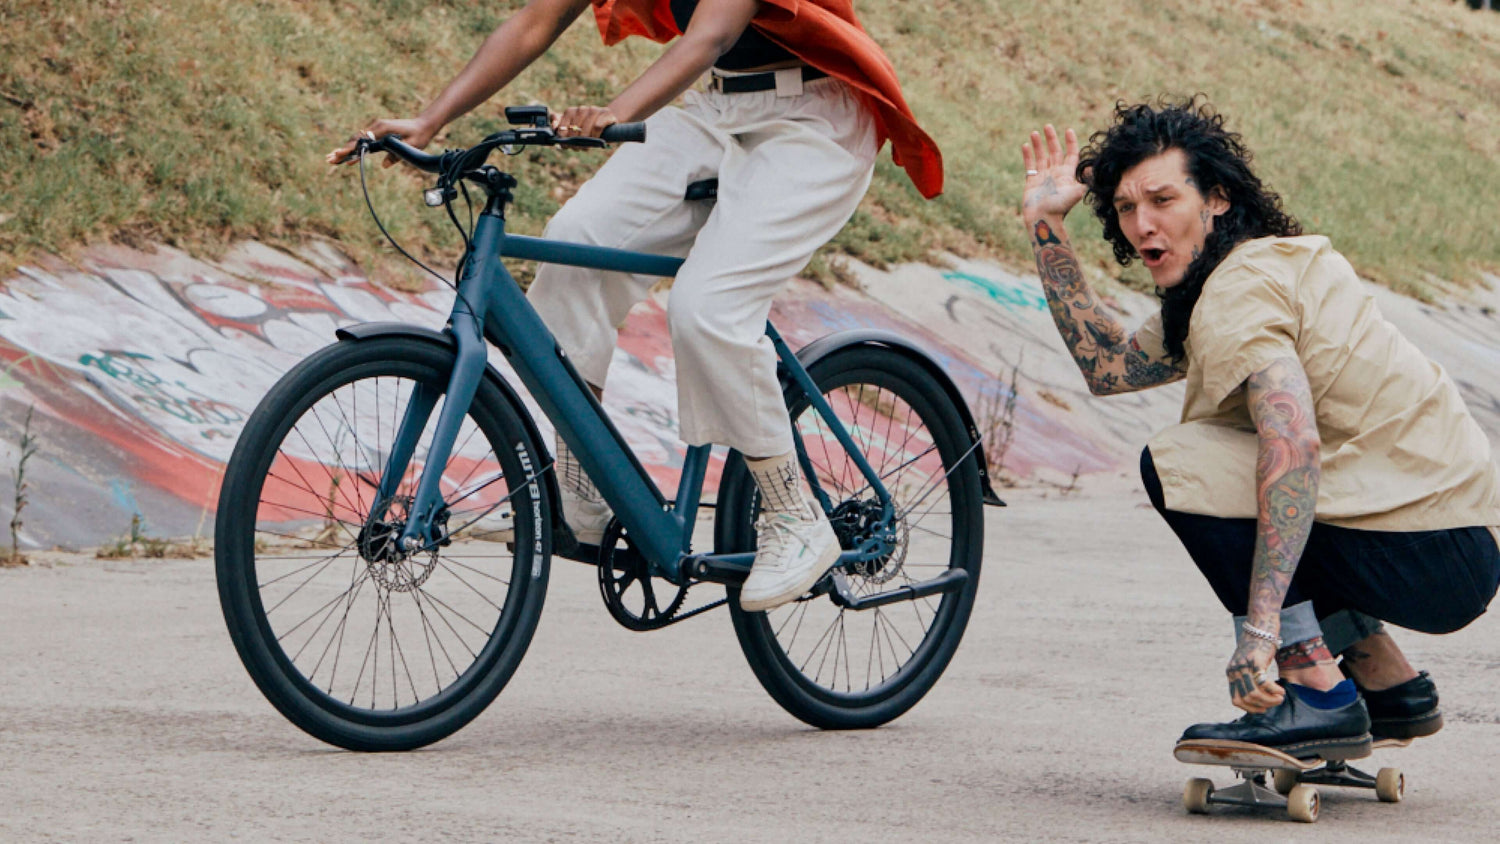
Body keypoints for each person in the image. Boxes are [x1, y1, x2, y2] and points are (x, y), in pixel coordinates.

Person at [328, 0, 942, 612]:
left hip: (813, 124)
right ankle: (586, 480)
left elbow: (711, 34)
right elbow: (533, 22)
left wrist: (615, 113)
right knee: (574, 250)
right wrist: (431, 120)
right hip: (717, 109)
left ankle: (794, 514)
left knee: (707, 308)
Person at [1018, 99, 1500, 757]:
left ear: (1215, 199)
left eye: (1162, 199)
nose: (1142, 224)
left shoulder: (1238, 294)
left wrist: (1267, 633)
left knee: (1182, 463)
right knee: (1235, 467)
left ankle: (1316, 688)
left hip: (1422, 551)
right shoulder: (1249, 269)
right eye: (1127, 207)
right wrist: (1047, 224)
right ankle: (1388, 685)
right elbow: (1111, 365)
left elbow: (1292, 445)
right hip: (1452, 541)